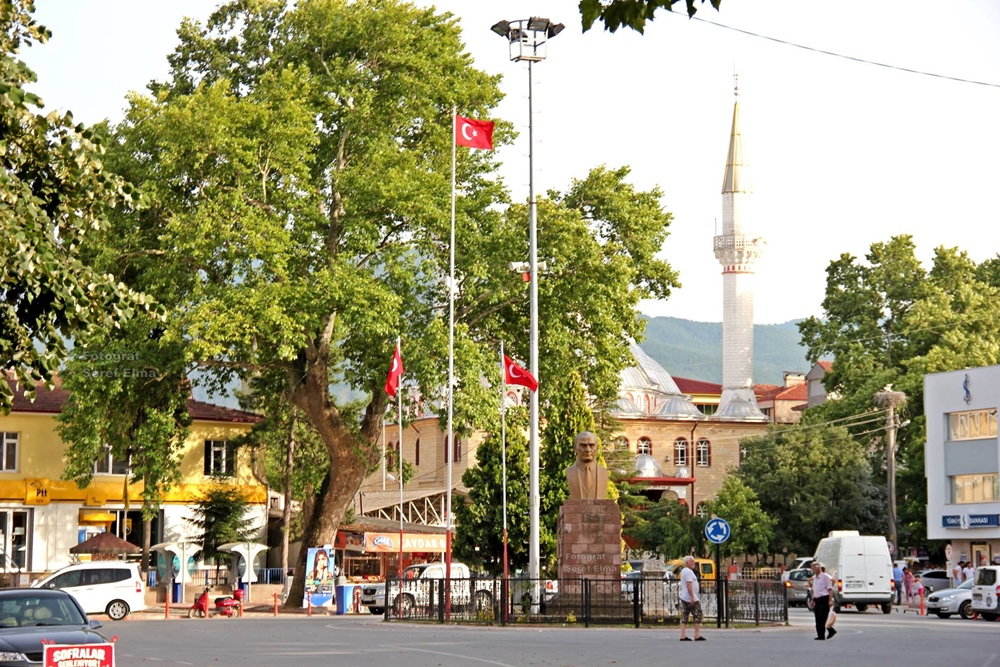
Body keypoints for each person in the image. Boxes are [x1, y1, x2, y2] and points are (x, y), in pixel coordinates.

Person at [565, 431, 609, 500]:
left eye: (591, 445)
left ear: (597, 448)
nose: (588, 450)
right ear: (575, 448)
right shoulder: (570, 472)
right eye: (583, 445)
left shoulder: (603, 472)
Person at [678, 555, 705, 641]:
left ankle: (682, 635)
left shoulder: (683, 571)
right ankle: (697, 634)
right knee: (698, 614)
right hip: (690, 597)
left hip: (684, 596)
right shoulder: (689, 572)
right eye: (692, 561)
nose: (694, 562)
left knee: (685, 615)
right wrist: (692, 597)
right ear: (687, 563)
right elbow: (689, 584)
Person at [810, 561, 835, 640]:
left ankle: (823, 634)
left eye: (814, 568)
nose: (813, 570)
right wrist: (812, 600)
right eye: (812, 568)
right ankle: (820, 634)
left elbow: (830, 589)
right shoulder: (815, 578)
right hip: (817, 600)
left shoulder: (825, 577)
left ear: (818, 568)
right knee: (817, 618)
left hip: (824, 599)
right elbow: (815, 590)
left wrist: (830, 600)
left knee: (822, 618)